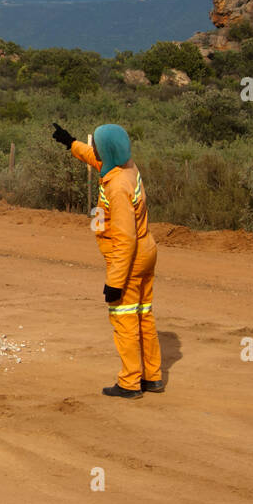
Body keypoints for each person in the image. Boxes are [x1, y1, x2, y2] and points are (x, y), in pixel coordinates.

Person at [52, 122, 163, 398]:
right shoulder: (126, 167)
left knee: (124, 318)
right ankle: (153, 376)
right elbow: (97, 160)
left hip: (128, 258)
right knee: (143, 315)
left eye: (98, 148)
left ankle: (129, 382)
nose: (96, 152)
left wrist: (114, 281)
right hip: (147, 251)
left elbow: (125, 239)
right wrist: (72, 143)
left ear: (108, 151)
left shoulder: (116, 188)